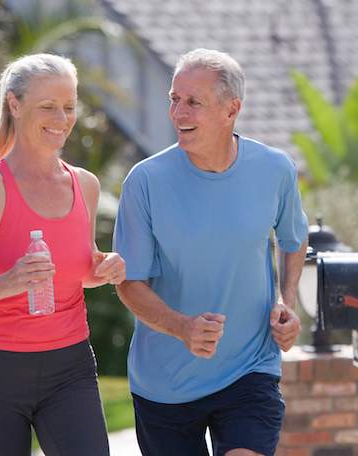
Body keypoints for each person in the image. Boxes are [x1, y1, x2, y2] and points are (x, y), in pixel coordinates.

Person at [113, 48, 309, 456]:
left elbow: (293, 241)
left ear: (230, 109)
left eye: (193, 102)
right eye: (174, 99)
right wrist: (181, 327)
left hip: (249, 369)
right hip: (165, 383)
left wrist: (286, 302)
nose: (177, 112)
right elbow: (129, 283)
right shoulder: (145, 181)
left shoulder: (276, 169)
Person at [0, 53, 125, 456]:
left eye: (69, 107)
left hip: (70, 367)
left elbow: (81, 268)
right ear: (14, 106)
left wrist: (103, 266)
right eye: (48, 107)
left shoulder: (84, 185)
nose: (62, 118)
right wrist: (8, 283)